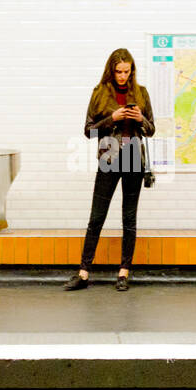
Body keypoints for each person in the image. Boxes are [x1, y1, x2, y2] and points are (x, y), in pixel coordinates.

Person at [64, 48, 156, 292]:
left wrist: (140, 119)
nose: (122, 76)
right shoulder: (99, 93)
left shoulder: (142, 93)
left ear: (132, 71)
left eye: (126, 71)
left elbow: (152, 130)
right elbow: (89, 131)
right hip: (109, 158)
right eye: (118, 71)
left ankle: (123, 273)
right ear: (111, 70)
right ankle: (83, 273)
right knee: (96, 217)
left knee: (129, 219)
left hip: (134, 159)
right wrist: (112, 118)